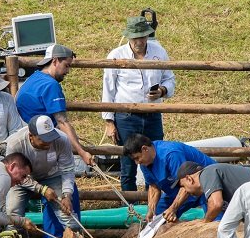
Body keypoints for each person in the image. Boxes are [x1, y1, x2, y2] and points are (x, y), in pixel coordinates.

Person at [5, 115, 92, 238]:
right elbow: (14, 175)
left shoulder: (62, 139)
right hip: (21, 181)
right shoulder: (15, 143)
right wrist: (41, 189)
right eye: (43, 140)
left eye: (50, 138)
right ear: (31, 136)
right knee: (12, 215)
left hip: (52, 176)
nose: (49, 143)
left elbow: (67, 169)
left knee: (68, 215)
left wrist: (67, 194)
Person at [101, 16, 176, 191]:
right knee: (128, 164)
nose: (139, 41)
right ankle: (130, 206)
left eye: (142, 37)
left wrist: (162, 91)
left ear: (147, 36)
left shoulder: (159, 52)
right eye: (135, 37)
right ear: (128, 37)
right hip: (126, 117)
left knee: (155, 159)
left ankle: (153, 202)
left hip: (152, 113)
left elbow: (170, 79)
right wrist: (109, 121)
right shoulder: (116, 56)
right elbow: (108, 89)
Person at [15, 43, 94, 167]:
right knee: (63, 175)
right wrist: (81, 152)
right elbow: (62, 122)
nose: (67, 71)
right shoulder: (50, 85)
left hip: (26, 138)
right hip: (42, 141)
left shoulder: (33, 78)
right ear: (55, 61)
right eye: (66, 66)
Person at [124, 134, 216, 223]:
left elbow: (187, 183)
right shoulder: (145, 163)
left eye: (137, 158)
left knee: (216, 219)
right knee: (159, 215)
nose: (137, 163)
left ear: (144, 149)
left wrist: (173, 209)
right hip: (178, 190)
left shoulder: (171, 154)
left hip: (206, 185)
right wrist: (151, 210)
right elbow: (153, 186)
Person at [174, 161, 250, 222]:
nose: (185, 191)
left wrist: (205, 222)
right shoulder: (212, 174)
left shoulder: (206, 173)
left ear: (189, 179)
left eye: (183, 186)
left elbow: (216, 204)